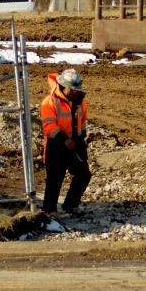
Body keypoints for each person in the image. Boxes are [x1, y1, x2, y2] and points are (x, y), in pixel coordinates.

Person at [40, 69, 91, 214]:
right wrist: (65, 140)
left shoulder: (80, 101)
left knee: (84, 174)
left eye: (77, 89)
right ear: (64, 86)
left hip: (75, 143)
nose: (75, 92)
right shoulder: (49, 102)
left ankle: (71, 204)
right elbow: (49, 126)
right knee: (54, 180)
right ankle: (49, 211)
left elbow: (83, 120)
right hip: (56, 145)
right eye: (72, 89)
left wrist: (81, 137)